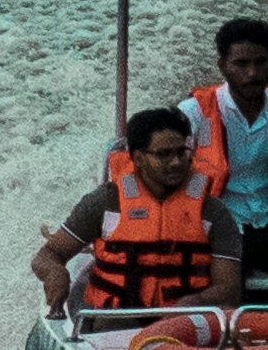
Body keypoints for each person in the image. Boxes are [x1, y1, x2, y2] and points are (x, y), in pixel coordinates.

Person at [37, 107, 240, 315]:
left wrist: (196, 300)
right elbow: (48, 254)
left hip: (184, 322)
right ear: (138, 157)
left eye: (181, 152)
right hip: (115, 318)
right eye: (163, 154)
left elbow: (229, 288)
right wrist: (54, 272)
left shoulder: (213, 211)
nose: (176, 162)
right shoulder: (105, 202)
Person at [173, 15, 268, 267]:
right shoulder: (194, 111)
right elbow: (162, 163)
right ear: (222, 66)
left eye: (260, 62)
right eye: (241, 64)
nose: (252, 73)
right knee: (225, 292)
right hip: (214, 226)